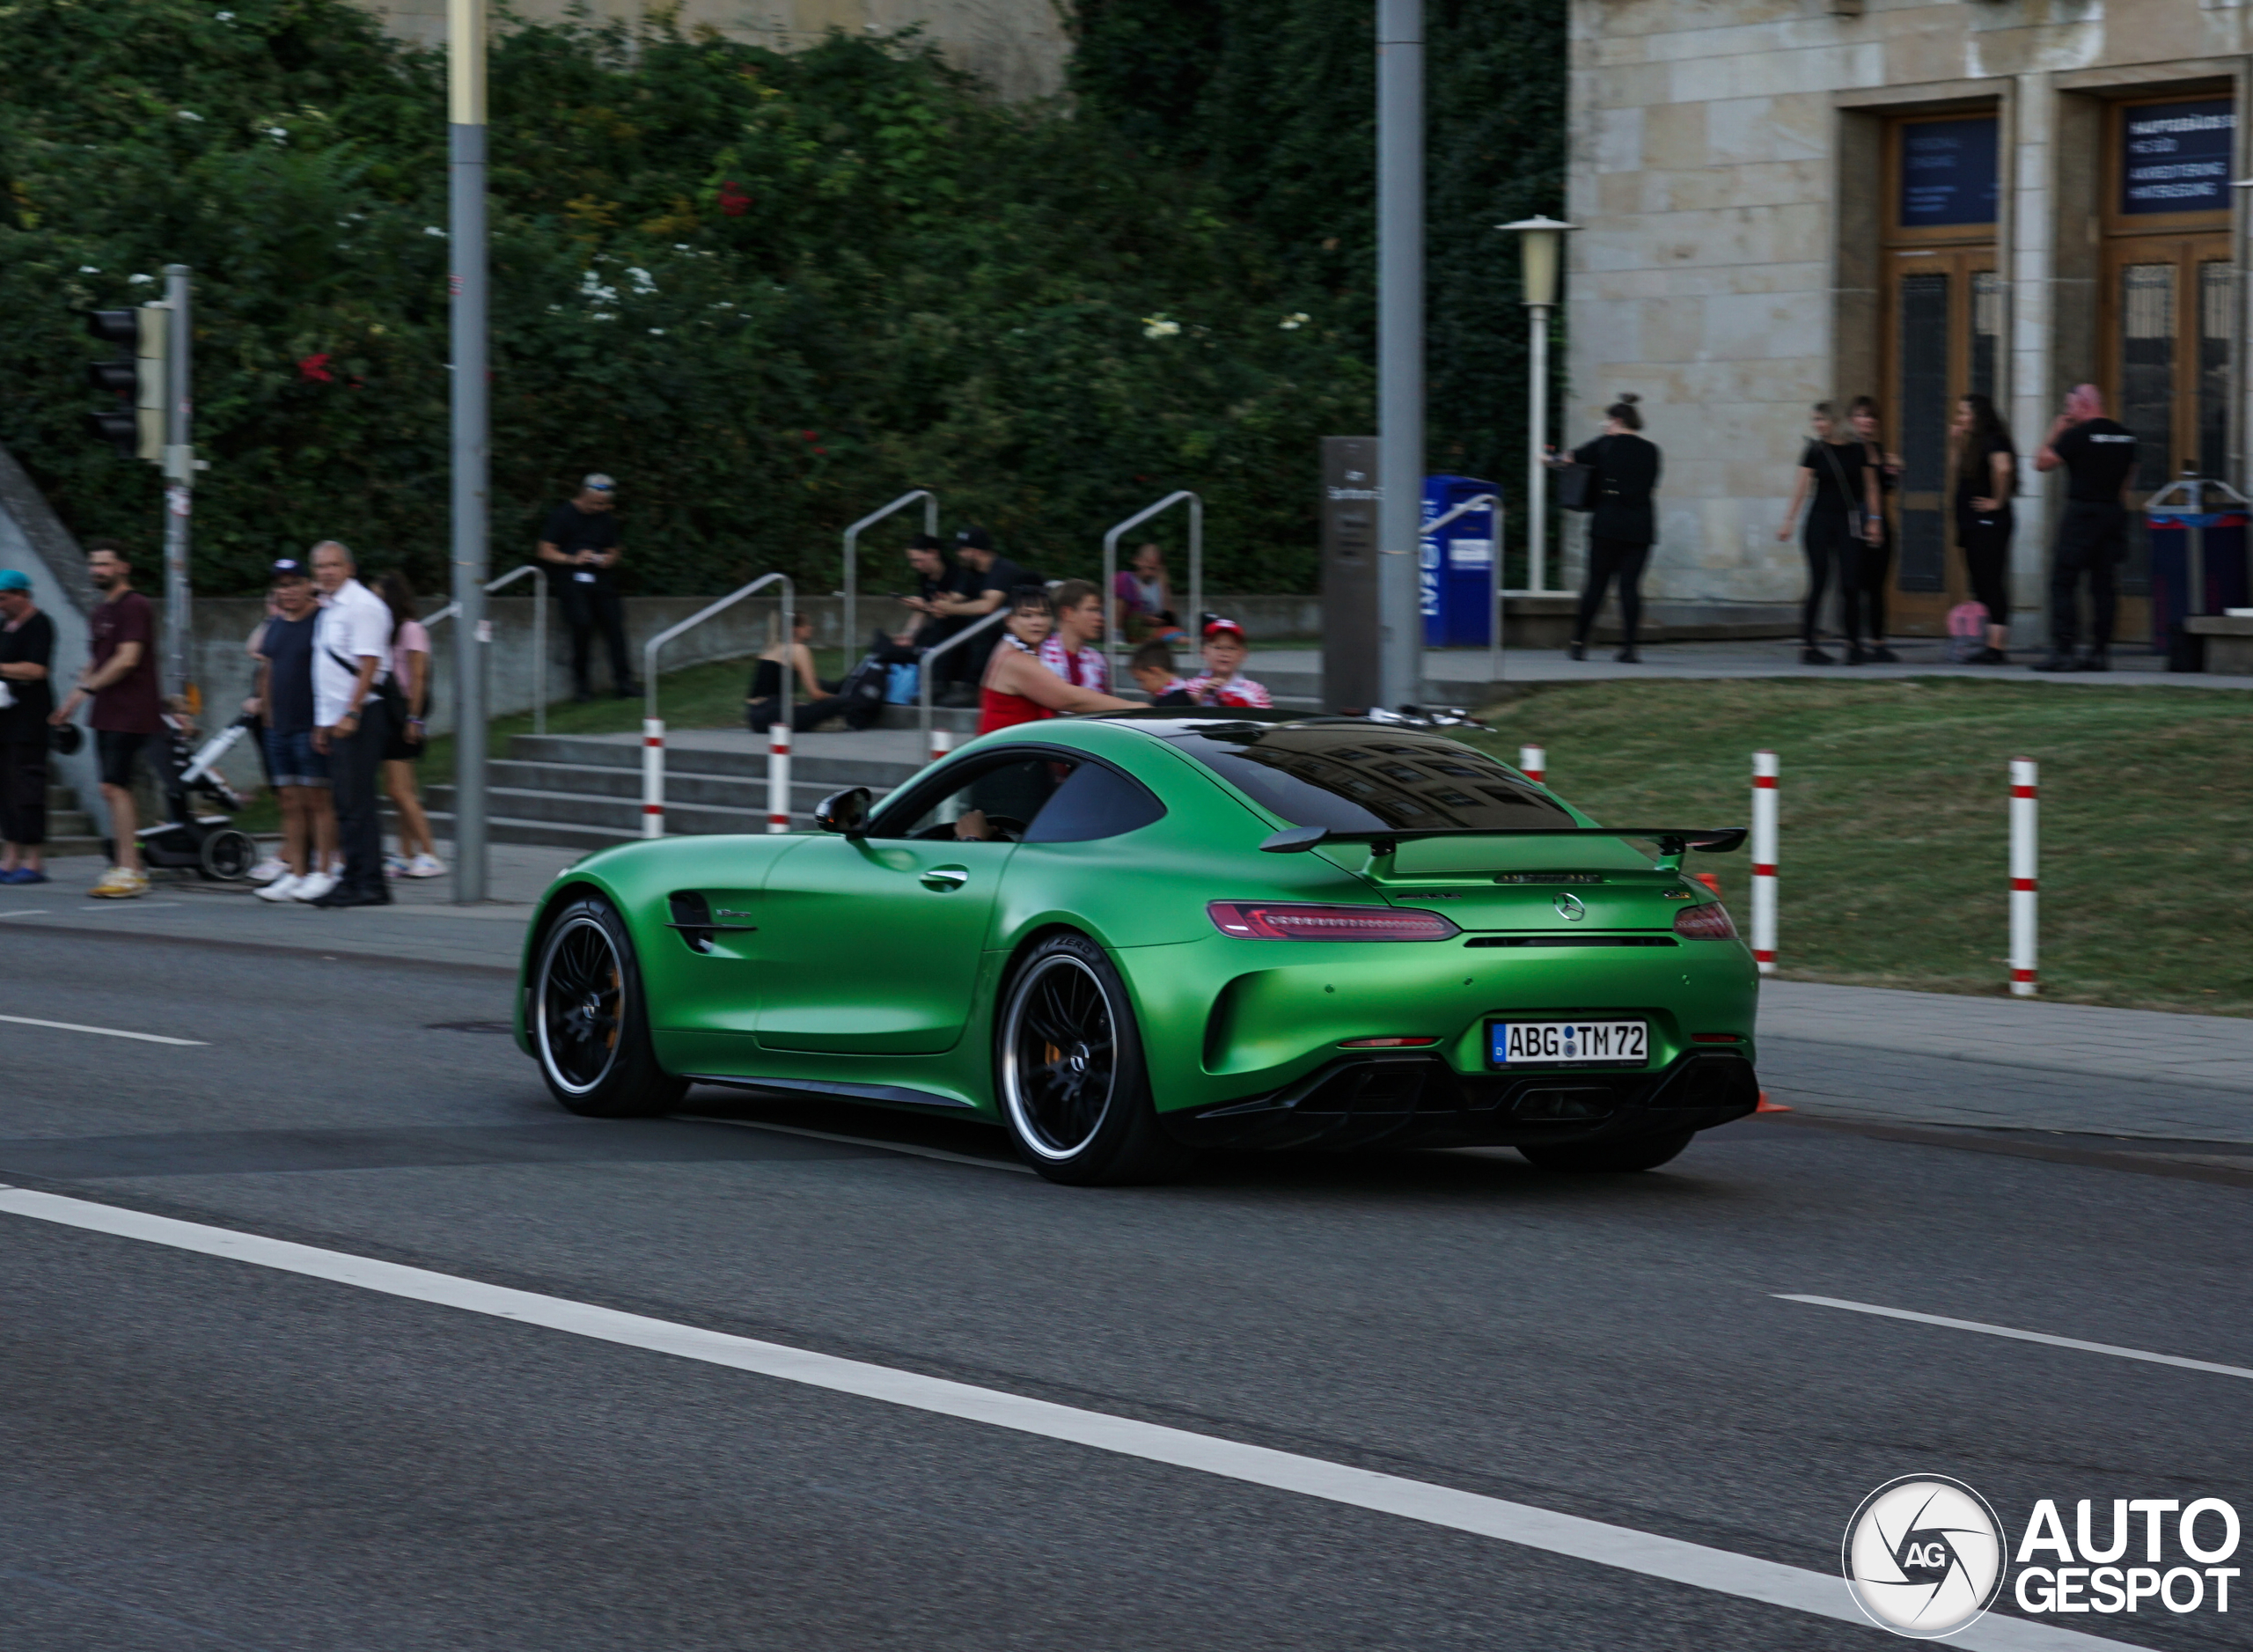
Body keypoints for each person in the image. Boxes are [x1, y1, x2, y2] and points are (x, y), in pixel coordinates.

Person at [51, 541, 164, 898]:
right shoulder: (102, 611)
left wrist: (90, 689)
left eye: (105, 564)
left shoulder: (135, 606)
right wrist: (72, 700)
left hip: (131, 709)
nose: (98, 570)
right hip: (107, 710)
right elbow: (96, 661)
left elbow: (128, 658)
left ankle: (131, 869)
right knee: (110, 788)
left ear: (123, 567)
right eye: (94, 564)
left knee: (117, 787)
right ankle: (127, 864)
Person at [308, 540, 395, 907]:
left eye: (334, 565)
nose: (327, 572)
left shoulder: (362, 606)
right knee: (346, 801)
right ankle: (357, 876)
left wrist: (352, 712)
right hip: (338, 718)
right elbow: (328, 671)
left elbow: (369, 664)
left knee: (357, 802)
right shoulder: (330, 608)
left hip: (360, 715)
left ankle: (367, 882)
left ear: (350, 569)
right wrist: (323, 723)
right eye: (320, 567)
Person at [250, 559, 341, 903]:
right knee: (289, 802)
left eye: (293, 584)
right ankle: (297, 872)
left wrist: (326, 722)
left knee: (317, 800)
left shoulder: (322, 621)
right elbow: (267, 666)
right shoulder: (275, 625)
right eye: (281, 586)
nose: (287, 591)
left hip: (311, 724)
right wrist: (267, 714)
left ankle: (324, 871)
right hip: (279, 726)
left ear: (308, 585)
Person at [2032, 384, 2138, 672]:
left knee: (2063, 581)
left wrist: (2056, 430)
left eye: (2070, 407)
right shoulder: (2126, 437)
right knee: (2103, 584)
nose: (2068, 413)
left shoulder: (2076, 435)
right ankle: (2100, 652)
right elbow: (2127, 483)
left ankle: (2064, 650)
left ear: (2082, 404)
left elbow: (2041, 463)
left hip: (2082, 514)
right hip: (2112, 513)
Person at [1776, 403, 1883, 664]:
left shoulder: (1858, 450)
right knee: (1819, 582)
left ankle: (1853, 644)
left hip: (1849, 521)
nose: (1817, 425)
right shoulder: (1814, 450)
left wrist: (1875, 521)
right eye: (1815, 420)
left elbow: (1871, 488)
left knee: (1851, 584)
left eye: (1821, 420)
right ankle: (1809, 647)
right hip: (1820, 521)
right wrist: (1789, 520)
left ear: (1835, 421)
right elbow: (1800, 487)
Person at [1559, 393, 1662, 663]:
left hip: (1607, 525)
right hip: (1640, 528)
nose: (1604, 425)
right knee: (1629, 587)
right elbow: (1649, 486)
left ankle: (1578, 643)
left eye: (1607, 420)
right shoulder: (1651, 450)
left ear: (1617, 420)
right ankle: (1629, 648)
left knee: (1596, 585)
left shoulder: (1605, 445)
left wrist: (1548, 459)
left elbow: (1570, 459)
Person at [538, 473, 640, 701]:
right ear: (584, 494)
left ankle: (624, 683)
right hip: (572, 579)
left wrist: (608, 559)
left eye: (604, 504)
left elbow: (615, 549)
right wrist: (573, 559)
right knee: (581, 625)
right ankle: (582, 686)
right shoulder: (562, 515)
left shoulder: (606, 519)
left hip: (601, 579)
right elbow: (545, 550)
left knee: (615, 626)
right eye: (596, 503)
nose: (600, 507)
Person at [976, 586, 1134, 734]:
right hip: (1007, 757)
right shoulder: (1014, 659)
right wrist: (1133, 707)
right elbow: (1071, 699)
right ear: (1009, 620)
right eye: (1027, 615)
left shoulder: (1013, 649)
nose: (1037, 622)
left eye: (1043, 614)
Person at [376, 571, 444, 878]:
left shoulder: (412, 630)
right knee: (399, 790)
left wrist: (413, 718)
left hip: (404, 712)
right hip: (390, 712)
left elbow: (419, 677)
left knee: (400, 789)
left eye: (378, 597)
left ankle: (429, 852)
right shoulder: (386, 633)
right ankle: (405, 853)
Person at [927, 528, 1031, 707]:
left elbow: (988, 606)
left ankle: (972, 688)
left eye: (961, 550)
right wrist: (939, 607)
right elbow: (954, 599)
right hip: (990, 626)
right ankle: (938, 684)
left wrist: (951, 608)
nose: (958, 554)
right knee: (945, 622)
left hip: (1013, 628)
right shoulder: (969, 572)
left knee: (981, 623)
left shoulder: (1003, 569)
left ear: (974, 551)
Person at [1950, 394, 2018, 664]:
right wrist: (1955, 443)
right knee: (1980, 582)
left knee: (1991, 582)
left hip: (1989, 524)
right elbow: (1958, 472)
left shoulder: (1993, 439)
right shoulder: (1974, 444)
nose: (1959, 418)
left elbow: (2004, 469)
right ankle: (1986, 643)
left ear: (1978, 416)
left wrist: (1997, 501)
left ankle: (1997, 648)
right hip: (1972, 523)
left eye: (1964, 413)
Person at [0, 569, 55, 884]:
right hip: (4, 719)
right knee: (5, 789)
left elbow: (37, 669)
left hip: (29, 721)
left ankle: (34, 860)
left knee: (28, 788)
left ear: (22, 595)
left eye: (5, 598)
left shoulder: (40, 624)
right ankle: (10, 856)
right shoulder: (4, 626)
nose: (1, 604)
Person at [1847, 395, 1904, 662]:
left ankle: (1878, 643)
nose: (1866, 421)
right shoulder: (1846, 450)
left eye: (1871, 416)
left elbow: (1887, 490)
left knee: (1877, 585)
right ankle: (1854, 643)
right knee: (1854, 583)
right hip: (1856, 522)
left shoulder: (1880, 452)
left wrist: (1893, 473)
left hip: (1881, 521)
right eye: (1861, 415)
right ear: (1851, 420)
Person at [745, 612, 850, 732]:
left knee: (807, 707)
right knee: (840, 703)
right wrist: (839, 699)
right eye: (806, 625)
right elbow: (815, 694)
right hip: (773, 716)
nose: (810, 628)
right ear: (795, 629)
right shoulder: (798, 649)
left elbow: (769, 691)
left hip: (755, 718)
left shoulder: (772, 648)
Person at [1177, 616, 1273, 707]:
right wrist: (1203, 693)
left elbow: (1266, 721)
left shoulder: (1255, 691)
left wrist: (1244, 705)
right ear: (1204, 652)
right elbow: (1180, 716)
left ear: (1243, 654)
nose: (1224, 653)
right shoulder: (1190, 687)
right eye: (1218, 647)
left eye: (1231, 648)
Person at [1037, 579, 1111, 690]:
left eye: (1100, 611)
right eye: (1092, 610)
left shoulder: (1099, 661)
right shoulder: (1038, 656)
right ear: (1067, 614)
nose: (1100, 618)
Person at [1112, 542, 1183, 643]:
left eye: (1154, 569)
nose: (1149, 573)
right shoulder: (1125, 579)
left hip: (1154, 628)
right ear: (1136, 560)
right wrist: (1144, 618)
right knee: (1179, 639)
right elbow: (1123, 611)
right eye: (1148, 567)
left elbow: (1169, 615)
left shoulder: (1159, 584)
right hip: (1133, 626)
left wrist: (1164, 585)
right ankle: (1116, 635)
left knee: (1181, 636)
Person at [1126, 639, 1190, 704]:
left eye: (1141, 680)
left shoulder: (1166, 703)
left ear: (1155, 672)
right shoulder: (1193, 694)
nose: (1141, 687)